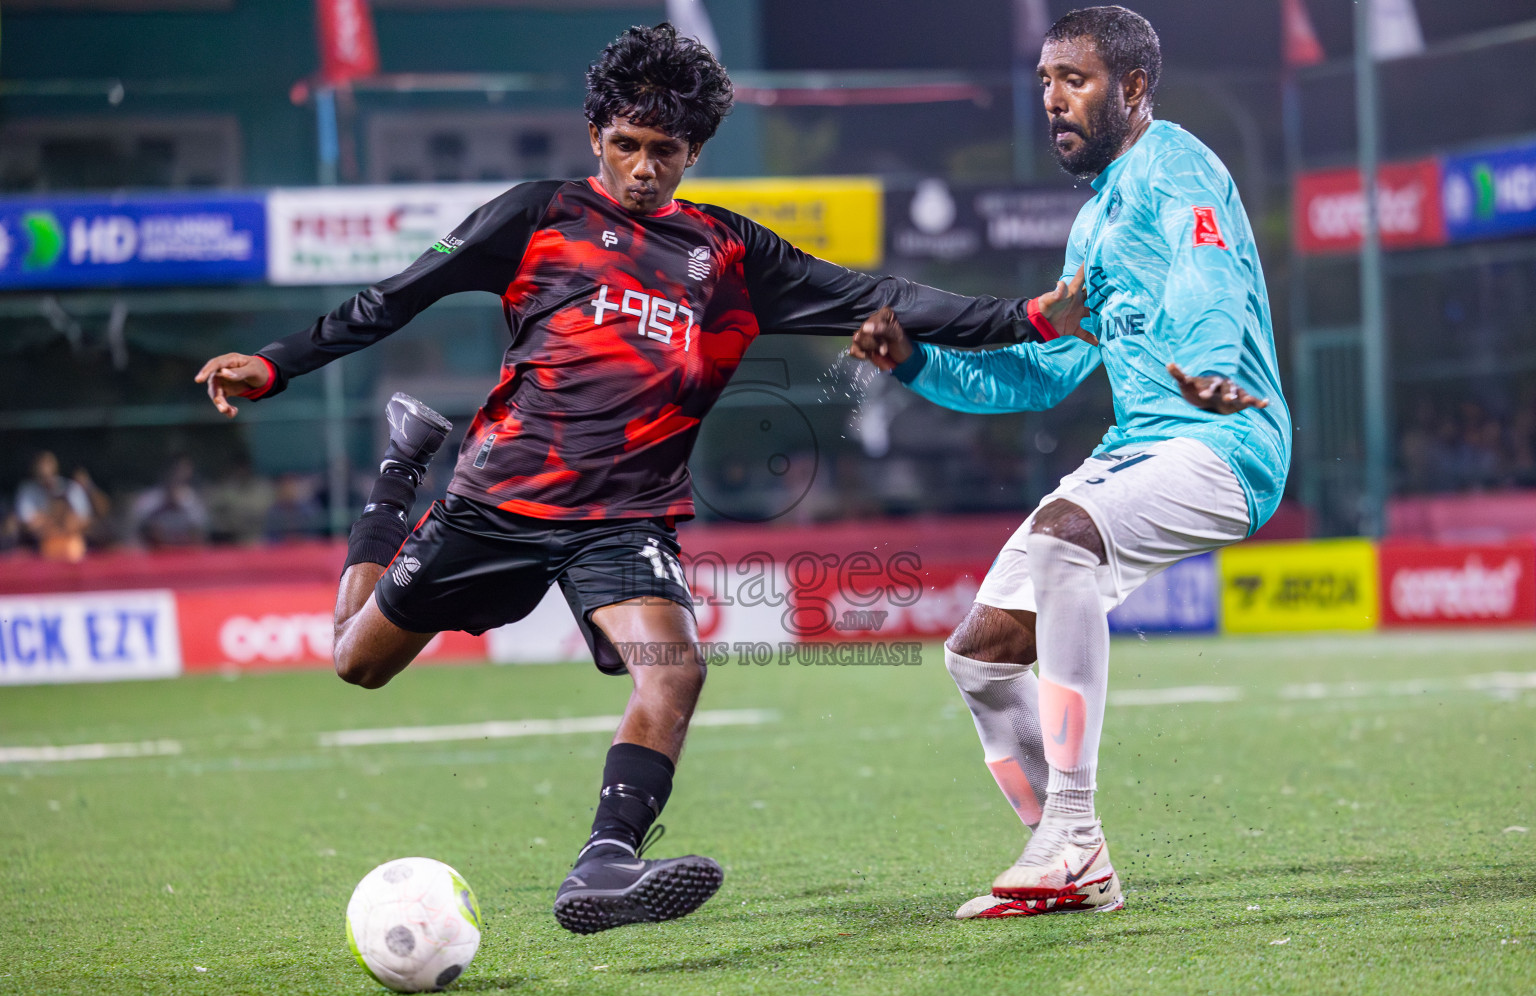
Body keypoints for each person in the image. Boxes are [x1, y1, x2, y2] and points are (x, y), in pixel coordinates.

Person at [194, 23, 1084, 935]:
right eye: (626, 145)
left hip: (623, 518)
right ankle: (398, 471)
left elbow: (880, 298)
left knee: (675, 669)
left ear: (694, 151)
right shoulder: (538, 214)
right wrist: (275, 365)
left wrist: (1026, 317)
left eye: (666, 150)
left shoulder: (731, 256)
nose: (644, 166)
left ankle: (605, 862)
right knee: (356, 662)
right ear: (596, 137)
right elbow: (395, 297)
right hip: (496, 501)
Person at [850, 5, 1290, 919]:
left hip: (1226, 442)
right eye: (1045, 82)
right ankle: (1069, 854)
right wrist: (920, 362)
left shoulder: (1179, 171)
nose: (1052, 101)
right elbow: (1042, 374)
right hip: (1136, 450)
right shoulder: (1093, 225)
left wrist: (1206, 370)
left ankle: (1075, 833)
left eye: (1074, 81)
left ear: (1132, 89)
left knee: (1062, 543)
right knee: (978, 658)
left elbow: (1209, 287)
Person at [15, 451, 94, 562]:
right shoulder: (27, 491)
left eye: (48, 464)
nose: (44, 469)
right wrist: (53, 524)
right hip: (40, 549)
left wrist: (63, 525)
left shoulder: (71, 488)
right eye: (41, 465)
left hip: (73, 548)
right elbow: (30, 524)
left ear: (55, 466)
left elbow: (83, 520)